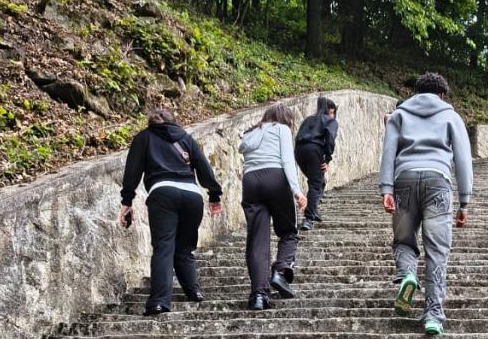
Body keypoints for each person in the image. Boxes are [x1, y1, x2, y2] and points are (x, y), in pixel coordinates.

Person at [379, 73, 473, 336]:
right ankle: (433, 316)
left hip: (404, 180)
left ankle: (407, 274)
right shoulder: (450, 116)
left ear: (416, 92)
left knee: (403, 240)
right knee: (437, 251)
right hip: (438, 182)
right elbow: (463, 159)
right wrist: (464, 202)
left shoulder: (399, 115)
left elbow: (388, 151)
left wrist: (386, 188)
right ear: (442, 94)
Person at [119, 108, 223, 316]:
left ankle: (159, 302)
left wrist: (127, 201)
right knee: (185, 247)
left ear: (151, 123)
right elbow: (203, 167)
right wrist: (214, 195)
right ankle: (194, 292)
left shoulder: (144, 137)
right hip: (192, 196)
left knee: (164, 247)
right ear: (173, 122)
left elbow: (133, 170)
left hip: (163, 193)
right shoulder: (185, 138)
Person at [239, 103, 308, 310]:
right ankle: (280, 270)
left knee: (257, 241)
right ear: (285, 118)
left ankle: (258, 296)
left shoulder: (249, 133)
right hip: (275, 178)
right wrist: (296, 190)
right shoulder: (282, 129)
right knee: (289, 231)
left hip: (250, 182)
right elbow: (287, 160)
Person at [294, 97, 339, 231]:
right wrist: (327, 158)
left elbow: (298, 136)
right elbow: (330, 138)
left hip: (299, 151)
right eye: (334, 112)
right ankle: (309, 218)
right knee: (316, 183)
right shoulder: (330, 120)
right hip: (314, 150)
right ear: (331, 110)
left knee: (319, 182)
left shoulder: (308, 119)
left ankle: (313, 210)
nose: (334, 115)